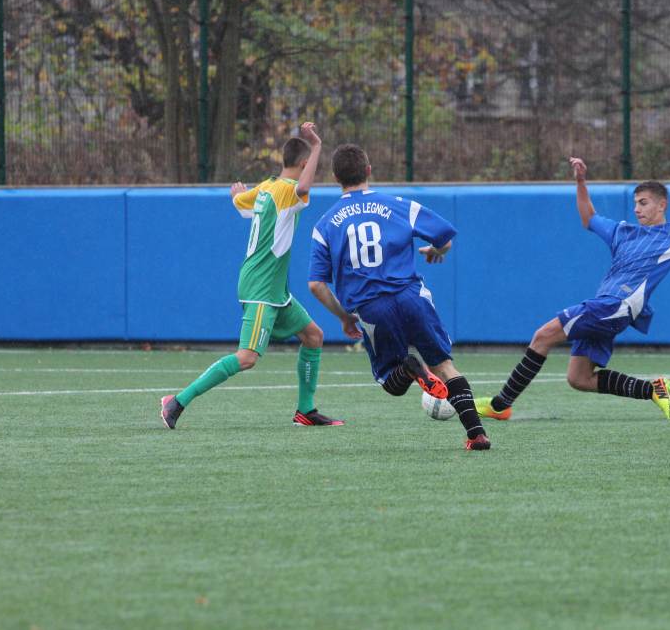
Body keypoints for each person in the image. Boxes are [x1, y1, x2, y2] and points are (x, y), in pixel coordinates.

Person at [476, 157, 670, 421]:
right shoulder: (623, 232)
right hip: (607, 306)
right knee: (579, 378)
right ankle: (654, 390)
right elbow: (589, 217)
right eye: (635, 203)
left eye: (644, 202)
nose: (637, 208)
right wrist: (581, 181)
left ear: (662, 205)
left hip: (616, 305)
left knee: (543, 336)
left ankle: (501, 406)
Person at [307, 144, 491, 450]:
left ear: (335, 177)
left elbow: (316, 285)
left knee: (390, 381)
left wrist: (344, 316)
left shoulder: (324, 225)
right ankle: (477, 434)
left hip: (370, 308)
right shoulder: (398, 205)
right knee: (445, 366)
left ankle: (408, 369)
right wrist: (435, 251)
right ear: (368, 170)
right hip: (411, 296)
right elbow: (445, 237)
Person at [160, 122, 342, 429]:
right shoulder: (284, 190)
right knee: (246, 358)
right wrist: (318, 147)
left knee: (313, 336)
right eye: (308, 163)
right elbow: (303, 189)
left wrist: (238, 194)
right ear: (301, 163)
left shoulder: (266, 188)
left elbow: (241, 203)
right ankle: (176, 402)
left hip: (274, 290)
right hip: (261, 288)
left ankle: (305, 411)